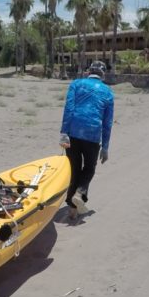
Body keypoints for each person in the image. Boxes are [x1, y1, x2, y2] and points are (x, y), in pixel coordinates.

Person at [59, 60, 114, 220]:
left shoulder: (76, 84)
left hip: (74, 132)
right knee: (89, 169)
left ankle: (72, 209)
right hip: (92, 134)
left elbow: (69, 108)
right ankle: (80, 193)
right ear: (103, 75)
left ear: (89, 71)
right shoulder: (108, 92)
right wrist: (105, 146)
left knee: (74, 170)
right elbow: (107, 122)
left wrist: (64, 132)